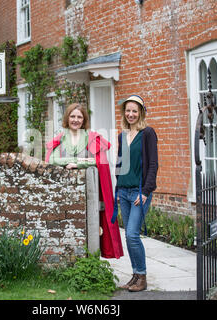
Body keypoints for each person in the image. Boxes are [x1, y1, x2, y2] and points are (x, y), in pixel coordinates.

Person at [46, 103, 123, 259]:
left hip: (89, 192)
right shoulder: (61, 137)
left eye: (79, 117)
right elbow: (52, 159)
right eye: (72, 116)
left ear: (84, 119)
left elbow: (98, 160)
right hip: (66, 192)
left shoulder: (91, 137)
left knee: (91, 226)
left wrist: (78, 163)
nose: (76, 120)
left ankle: (92, 260)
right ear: (67, 118)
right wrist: (77, 159)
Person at [112, 95, 158, 292]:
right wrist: (117, 185)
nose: (131, 114)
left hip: (139, 193)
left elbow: (153, 164)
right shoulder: (123, 135)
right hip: (123, 192)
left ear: (141, 112)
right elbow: (121, 163)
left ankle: (142, 276)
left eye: (134, 111)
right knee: (129, 236)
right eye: (128, 111)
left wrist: (146, 191)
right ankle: (135, 275)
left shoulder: (148, 133)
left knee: (132, 234)